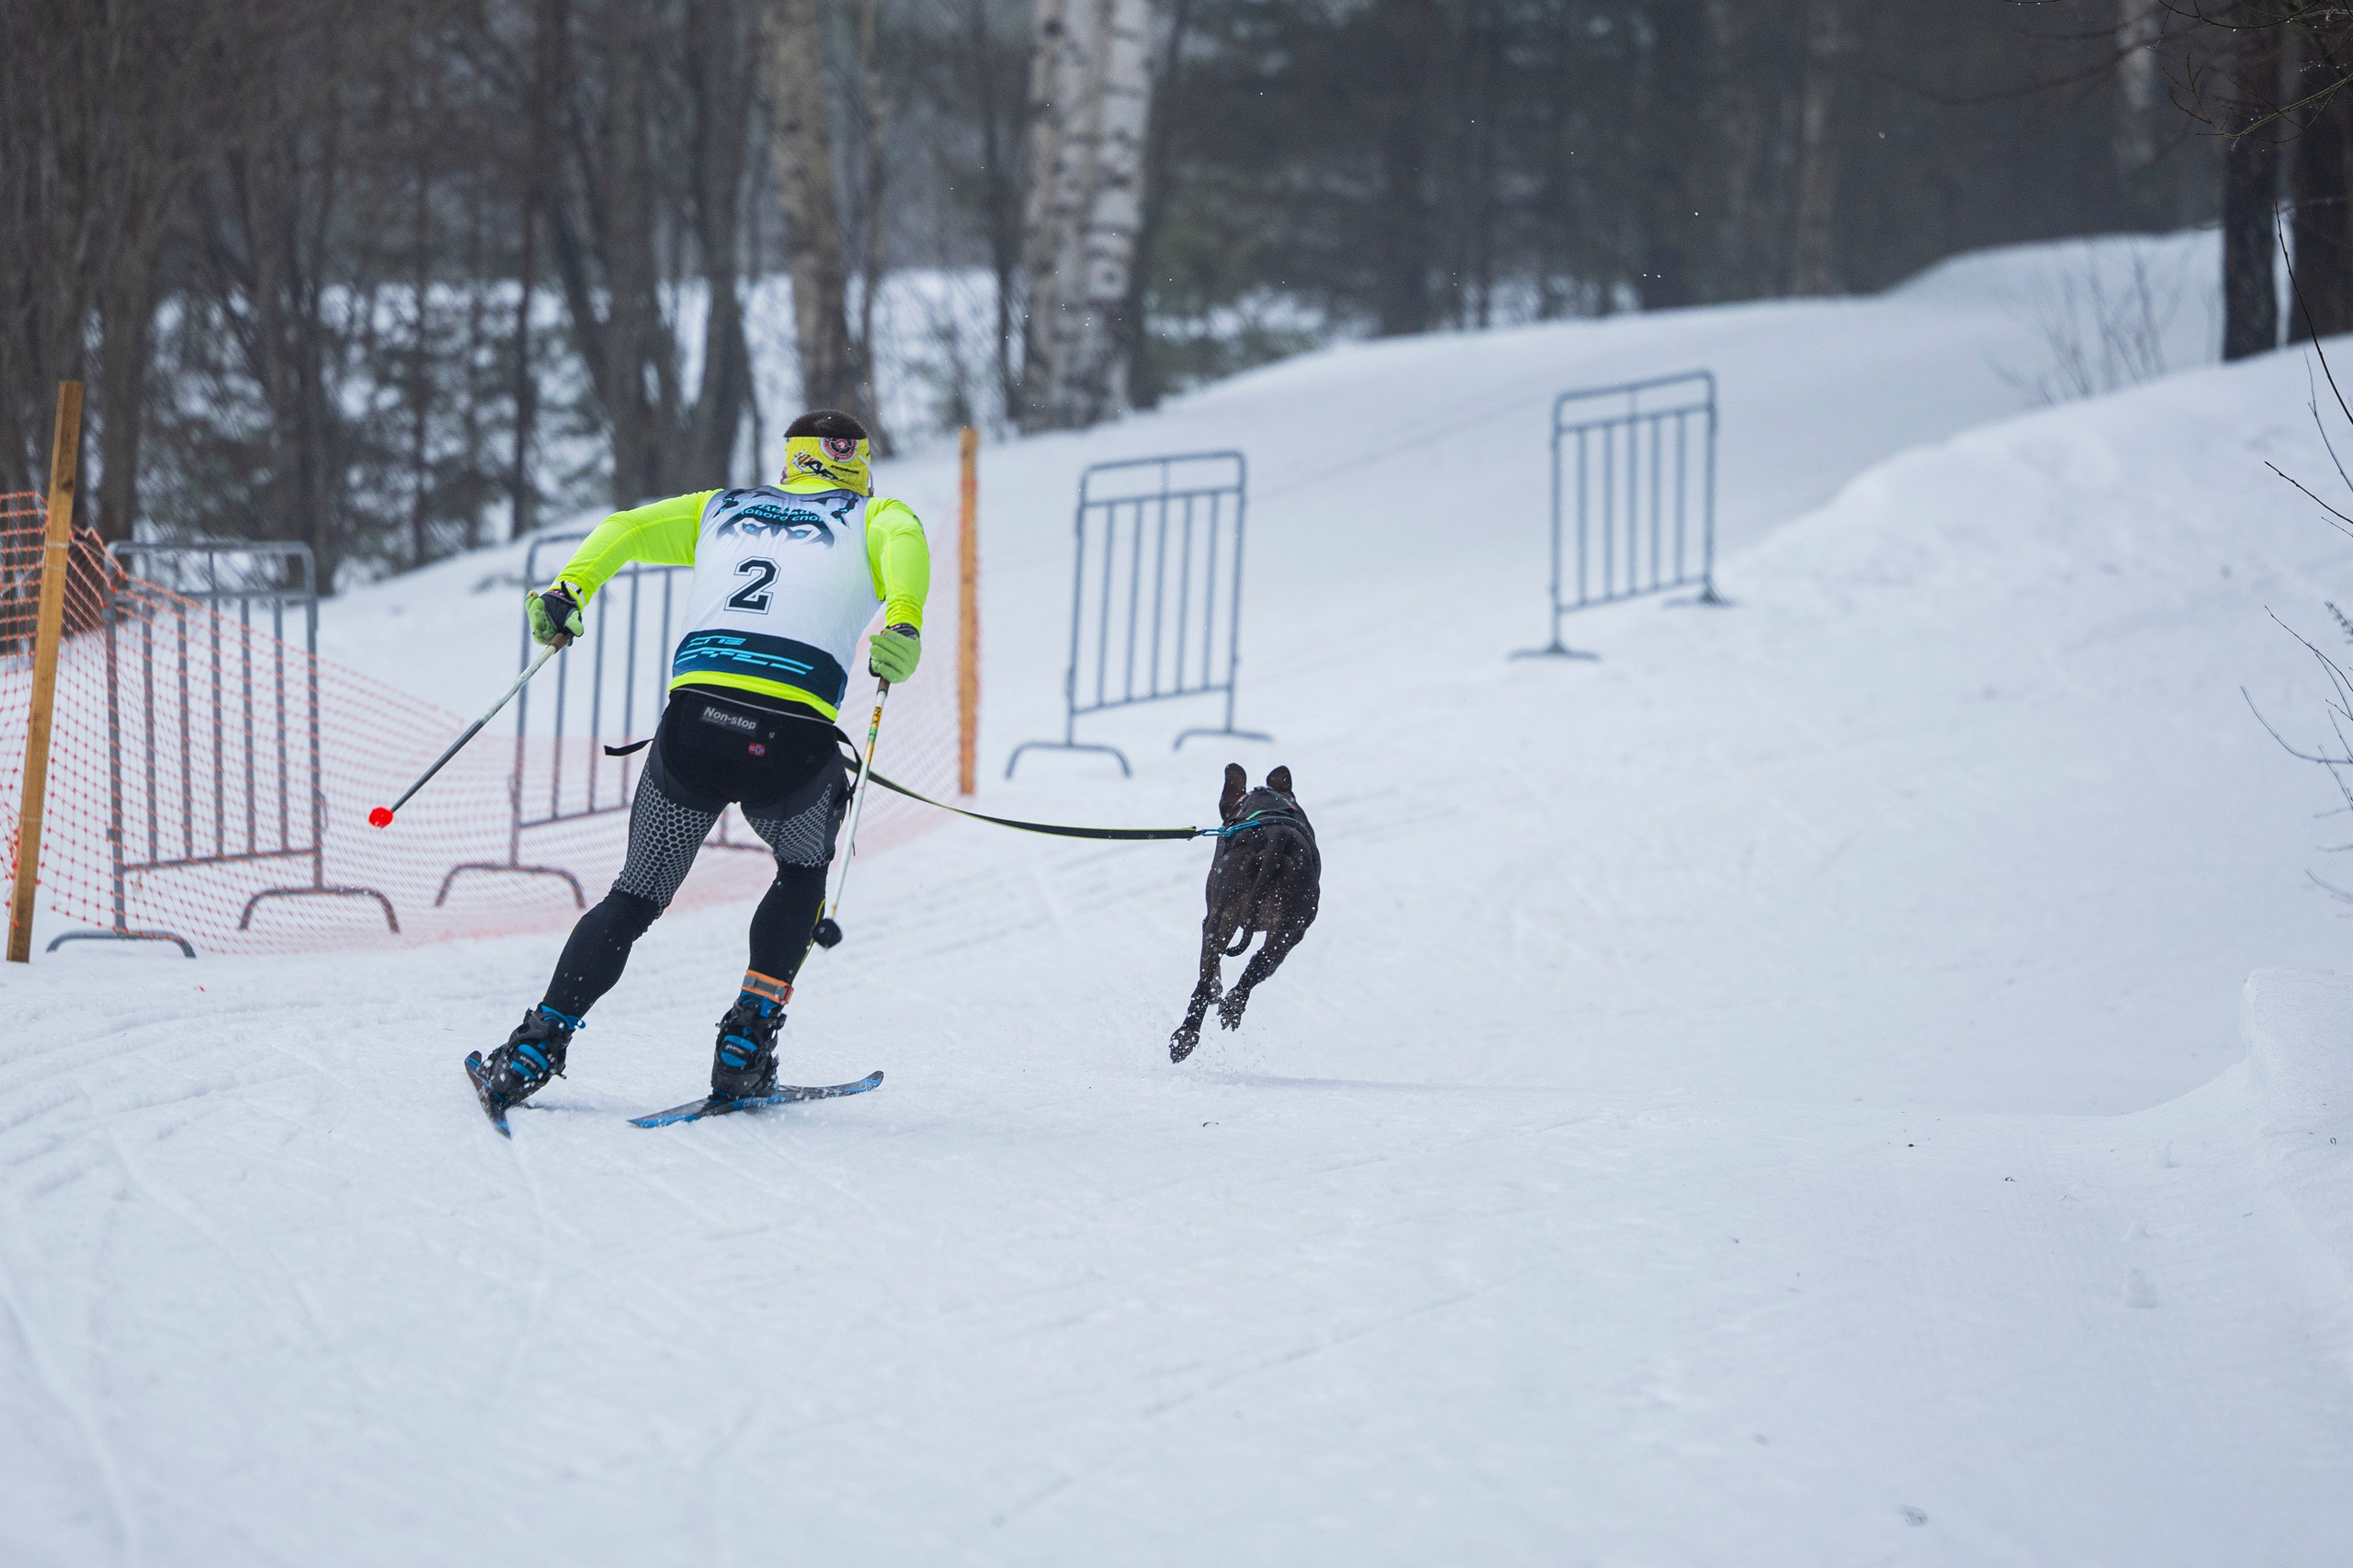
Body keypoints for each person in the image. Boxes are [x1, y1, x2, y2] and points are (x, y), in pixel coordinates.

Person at [472, 410, 927, 1113]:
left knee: (635, 896)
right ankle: (745, 1045)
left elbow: (621, 528)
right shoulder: (875, 514)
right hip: (793, 737)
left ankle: (536, 1047)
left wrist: (570, 589)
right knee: (802, 873)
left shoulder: (723, 508)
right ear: (857, 461)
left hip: (695, 728)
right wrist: (902, 619)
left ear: (791, 461)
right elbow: (904, 546)